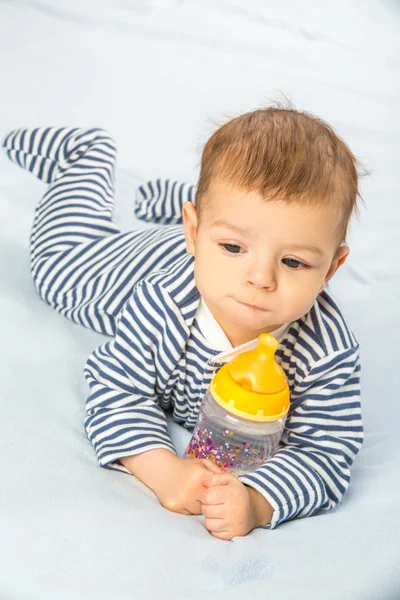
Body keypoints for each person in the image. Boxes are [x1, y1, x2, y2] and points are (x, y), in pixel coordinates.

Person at [2, 106, 364, 541]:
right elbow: (115, 386)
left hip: (203, 243)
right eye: (233, 247)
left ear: (332, 267)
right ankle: (86, 157)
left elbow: (326, 453)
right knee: (57, 274)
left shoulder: (326, 352)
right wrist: (163, 470)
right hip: (133, 270)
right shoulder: (163, 302)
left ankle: (188, 207)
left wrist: (257, 502)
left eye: (293, 261)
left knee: (244, 222)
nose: (260, 279)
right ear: (194, 233)